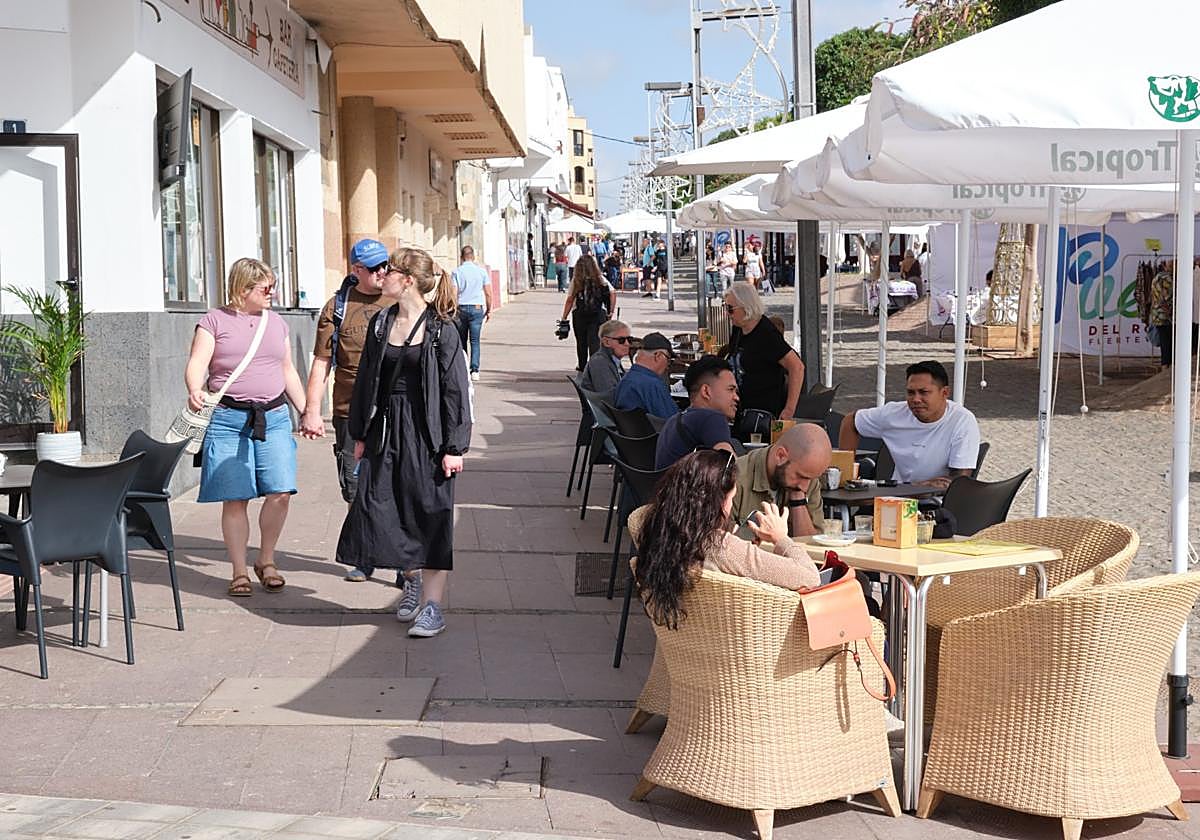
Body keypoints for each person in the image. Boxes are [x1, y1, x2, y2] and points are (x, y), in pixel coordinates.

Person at [337, 247, 472, 638]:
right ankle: (410, 580)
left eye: (390, 270)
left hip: (427, 433)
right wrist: (359, 434)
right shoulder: (381, 323)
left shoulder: (441, 329)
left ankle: (433, 607)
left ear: (408, 279)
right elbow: (365, 380)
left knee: (430, 514)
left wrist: (454, 447)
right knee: (385, 509)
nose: (383, 275)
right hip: (387, 431)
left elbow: (455, 391)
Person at [185, 257, 307, 598]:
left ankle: (266, 560)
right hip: (227, 419)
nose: (273, 293)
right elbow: (197, 362)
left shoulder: (276, 323)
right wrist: (195, 388)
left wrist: (307, 411)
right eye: (266, 288)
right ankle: (239, 570)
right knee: (236, 498)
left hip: (273, 417)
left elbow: (287, 370)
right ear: (243, 290)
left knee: (281, 491)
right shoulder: (213, 321)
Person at [632, 450, 823, 632]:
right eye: (731, 498)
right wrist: (781, 537)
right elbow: (810, 577)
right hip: (743, 653)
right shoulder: (724, 548)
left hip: (676, 654)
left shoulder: (656, 530)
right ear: (718, 502)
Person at [300, 238, 399, 582]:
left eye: (385, 265)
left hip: (393, 412)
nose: (382, 272)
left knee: (394, 485)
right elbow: (321, 363)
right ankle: (366, 553)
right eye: (373, 268)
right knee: (354, 488)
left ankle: (402, 559)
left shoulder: (400, 298)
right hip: (348, 413)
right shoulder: (337, 307)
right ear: (356, 270)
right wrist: (312, 411)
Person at [838, 360, 980, 490]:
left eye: (924, 392)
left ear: (945, 393)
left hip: (938, 503)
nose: (916, 399)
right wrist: (845, 475)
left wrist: (922, 487)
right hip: (897, 496)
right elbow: (850, 422)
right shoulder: (894, 413)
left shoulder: (963, 421)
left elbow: (960, 481)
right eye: (911, 392)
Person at [730, 423, 831, 539]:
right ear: (780, 456)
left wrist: (798, 500)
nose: (805, 486)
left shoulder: (808, 479)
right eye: (800, 476)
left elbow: (812, 546)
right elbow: (720, 545)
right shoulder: (736, 477)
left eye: (810, 478)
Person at [721, 282, 805, 419]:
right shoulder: (738, 327)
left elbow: (797, 367)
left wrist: (789, 409)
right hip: (742, 410)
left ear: (745, 306)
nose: (727, 314)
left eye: (730, 309)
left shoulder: (766, 334)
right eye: (725, 307)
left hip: (763, 413)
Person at [655, 355, 739, 469]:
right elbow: (731, 470)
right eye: (730, 389)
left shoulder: (673, 421)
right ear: (706, 391)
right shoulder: (711, 418)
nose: (736, 397)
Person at [560, 255, 616, 372]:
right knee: (595, 342)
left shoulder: (576, 281)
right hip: (598, 314)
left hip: (580, 315)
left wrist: (564, 317)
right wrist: (610, 311)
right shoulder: (600, 279)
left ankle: (582, 366)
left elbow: (570, 299)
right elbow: (612, 292)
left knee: (581, 342)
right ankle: (594, 368)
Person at [615, 332, 680, 420]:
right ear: (658, 356)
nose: (667, 366)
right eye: (668, 359)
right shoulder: (653, 384)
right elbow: (673, 421)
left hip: (632, 431)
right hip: (657, 432)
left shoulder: (626, 379)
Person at [452, 245, 492, 383]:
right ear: (473, 256)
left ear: (462, 256)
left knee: (461, 340)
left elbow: (454, 293)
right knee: (475, 341)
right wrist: (489, 309)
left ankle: (462, 368)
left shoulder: (457, 272)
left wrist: (452, 308)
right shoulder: (481, 272)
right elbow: (488, 292)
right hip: (476, 309)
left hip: (461, 308)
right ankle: (475, 370)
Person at [579, 319, 631, 400]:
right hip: (603, 411)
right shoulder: (599, 362)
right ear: (606, 342)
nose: (627, 344)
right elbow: (609, 396)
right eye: (621, 340)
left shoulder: (613, 360)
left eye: (629, 339)